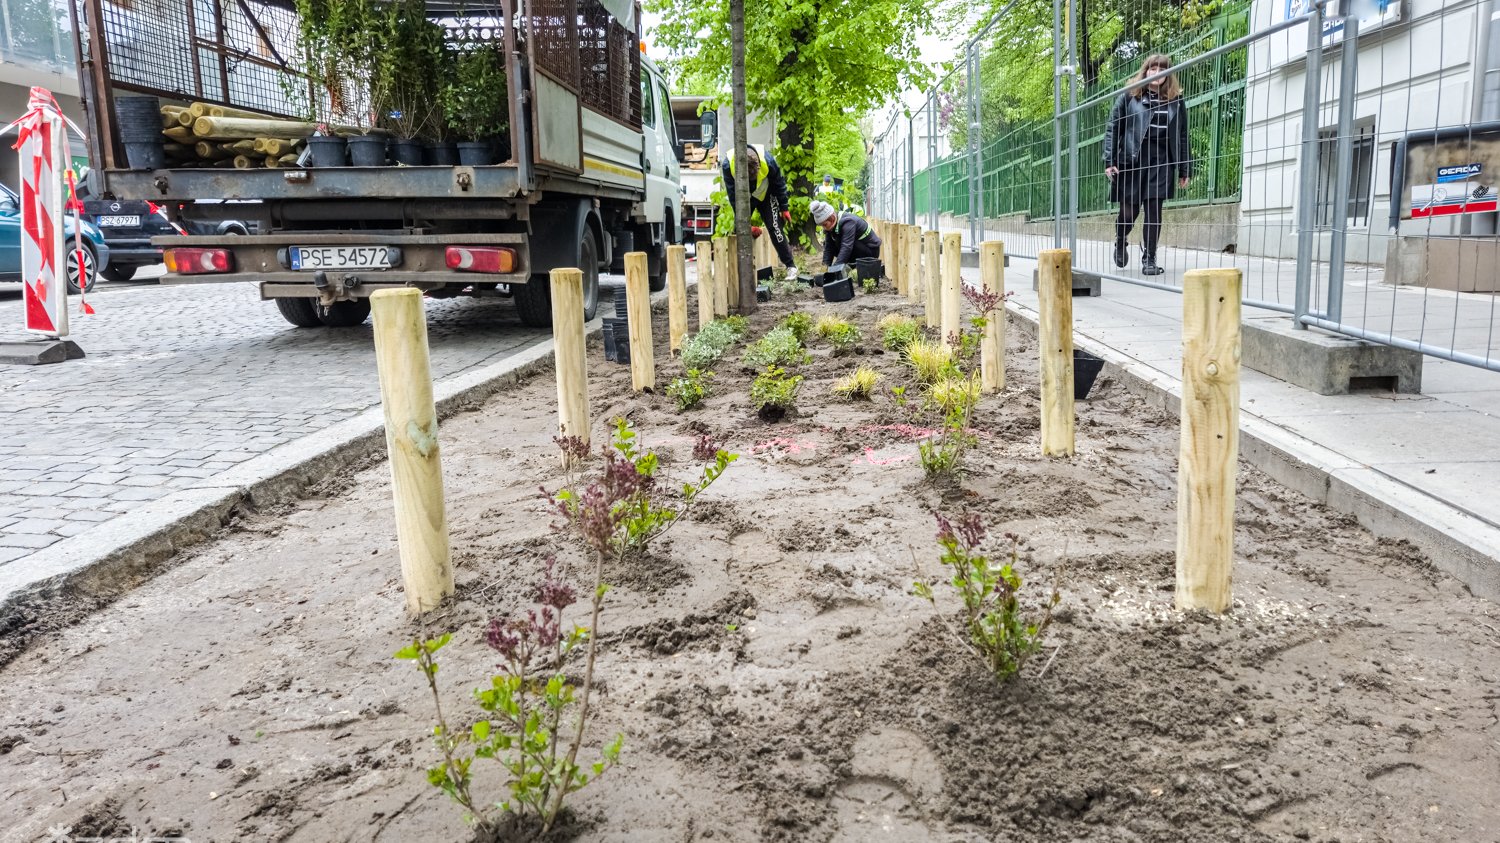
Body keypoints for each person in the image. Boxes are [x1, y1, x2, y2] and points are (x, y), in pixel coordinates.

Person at [1103, 53, 1191, 276]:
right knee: (1129, 212)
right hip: (1132, 158)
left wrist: (1184, 168)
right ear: (1146, 71)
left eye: (1162, 69)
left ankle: (1149, 258)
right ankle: (1121, 239)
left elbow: (1182, 135)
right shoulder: (1129, 96)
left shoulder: (1176, 100)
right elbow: (1114, 127)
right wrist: (1110, 160)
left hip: (1161, 161)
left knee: (1154, 211)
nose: (1157, 73)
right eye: (1153, 68)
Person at [721, 144, 798, 281]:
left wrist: (784, 207)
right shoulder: (728, 165)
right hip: (745, 198)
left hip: (766, 193)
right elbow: (733, 197)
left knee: (775, 228)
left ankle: (790, 266)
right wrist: (745, 225)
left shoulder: (768, 161)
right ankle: (738, 272)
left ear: (757, 166)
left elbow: (779, 183)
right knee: (738, 229)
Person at [811, 199, 880, 271]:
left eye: (825, 224)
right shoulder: (831, 227)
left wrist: (834, 270)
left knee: (843, 243)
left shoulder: (848, 222)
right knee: (828, 244)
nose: (824, 228)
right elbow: (829, 248)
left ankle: (854, 266)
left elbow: (846, 247)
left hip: (870, 253)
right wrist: (824, 269)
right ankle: (850, 265)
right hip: (857, 249)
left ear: (832, 218)